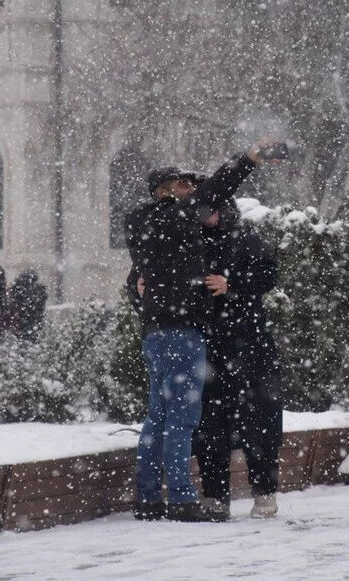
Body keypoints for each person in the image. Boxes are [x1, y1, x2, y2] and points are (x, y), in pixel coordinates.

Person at [125, 143, 279, 522]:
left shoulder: (232, 236)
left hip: (241, 341)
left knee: (252, 420)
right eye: (184, 188)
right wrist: (140, 290)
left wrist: (233, 284)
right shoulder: (181, 229)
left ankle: (257, 493)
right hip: (198, 339)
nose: (197, 199)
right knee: (202, 422)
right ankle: (200, 496)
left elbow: (267, 273)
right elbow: (139, 280)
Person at [193, 199, 282, 520]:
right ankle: (215, 495)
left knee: (258, 424)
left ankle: (264, 494)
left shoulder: (244, 236)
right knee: (210, 427)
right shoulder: (190, 240)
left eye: (212, 208)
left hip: (249, 348)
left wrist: (232, 285)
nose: (207, 215)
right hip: (210, 350)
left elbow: (268, 275)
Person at [7, 269, 48, 342]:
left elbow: (13, 304)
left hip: (20, 323)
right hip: (33, 322)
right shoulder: (38, 290)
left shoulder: (18, 288)